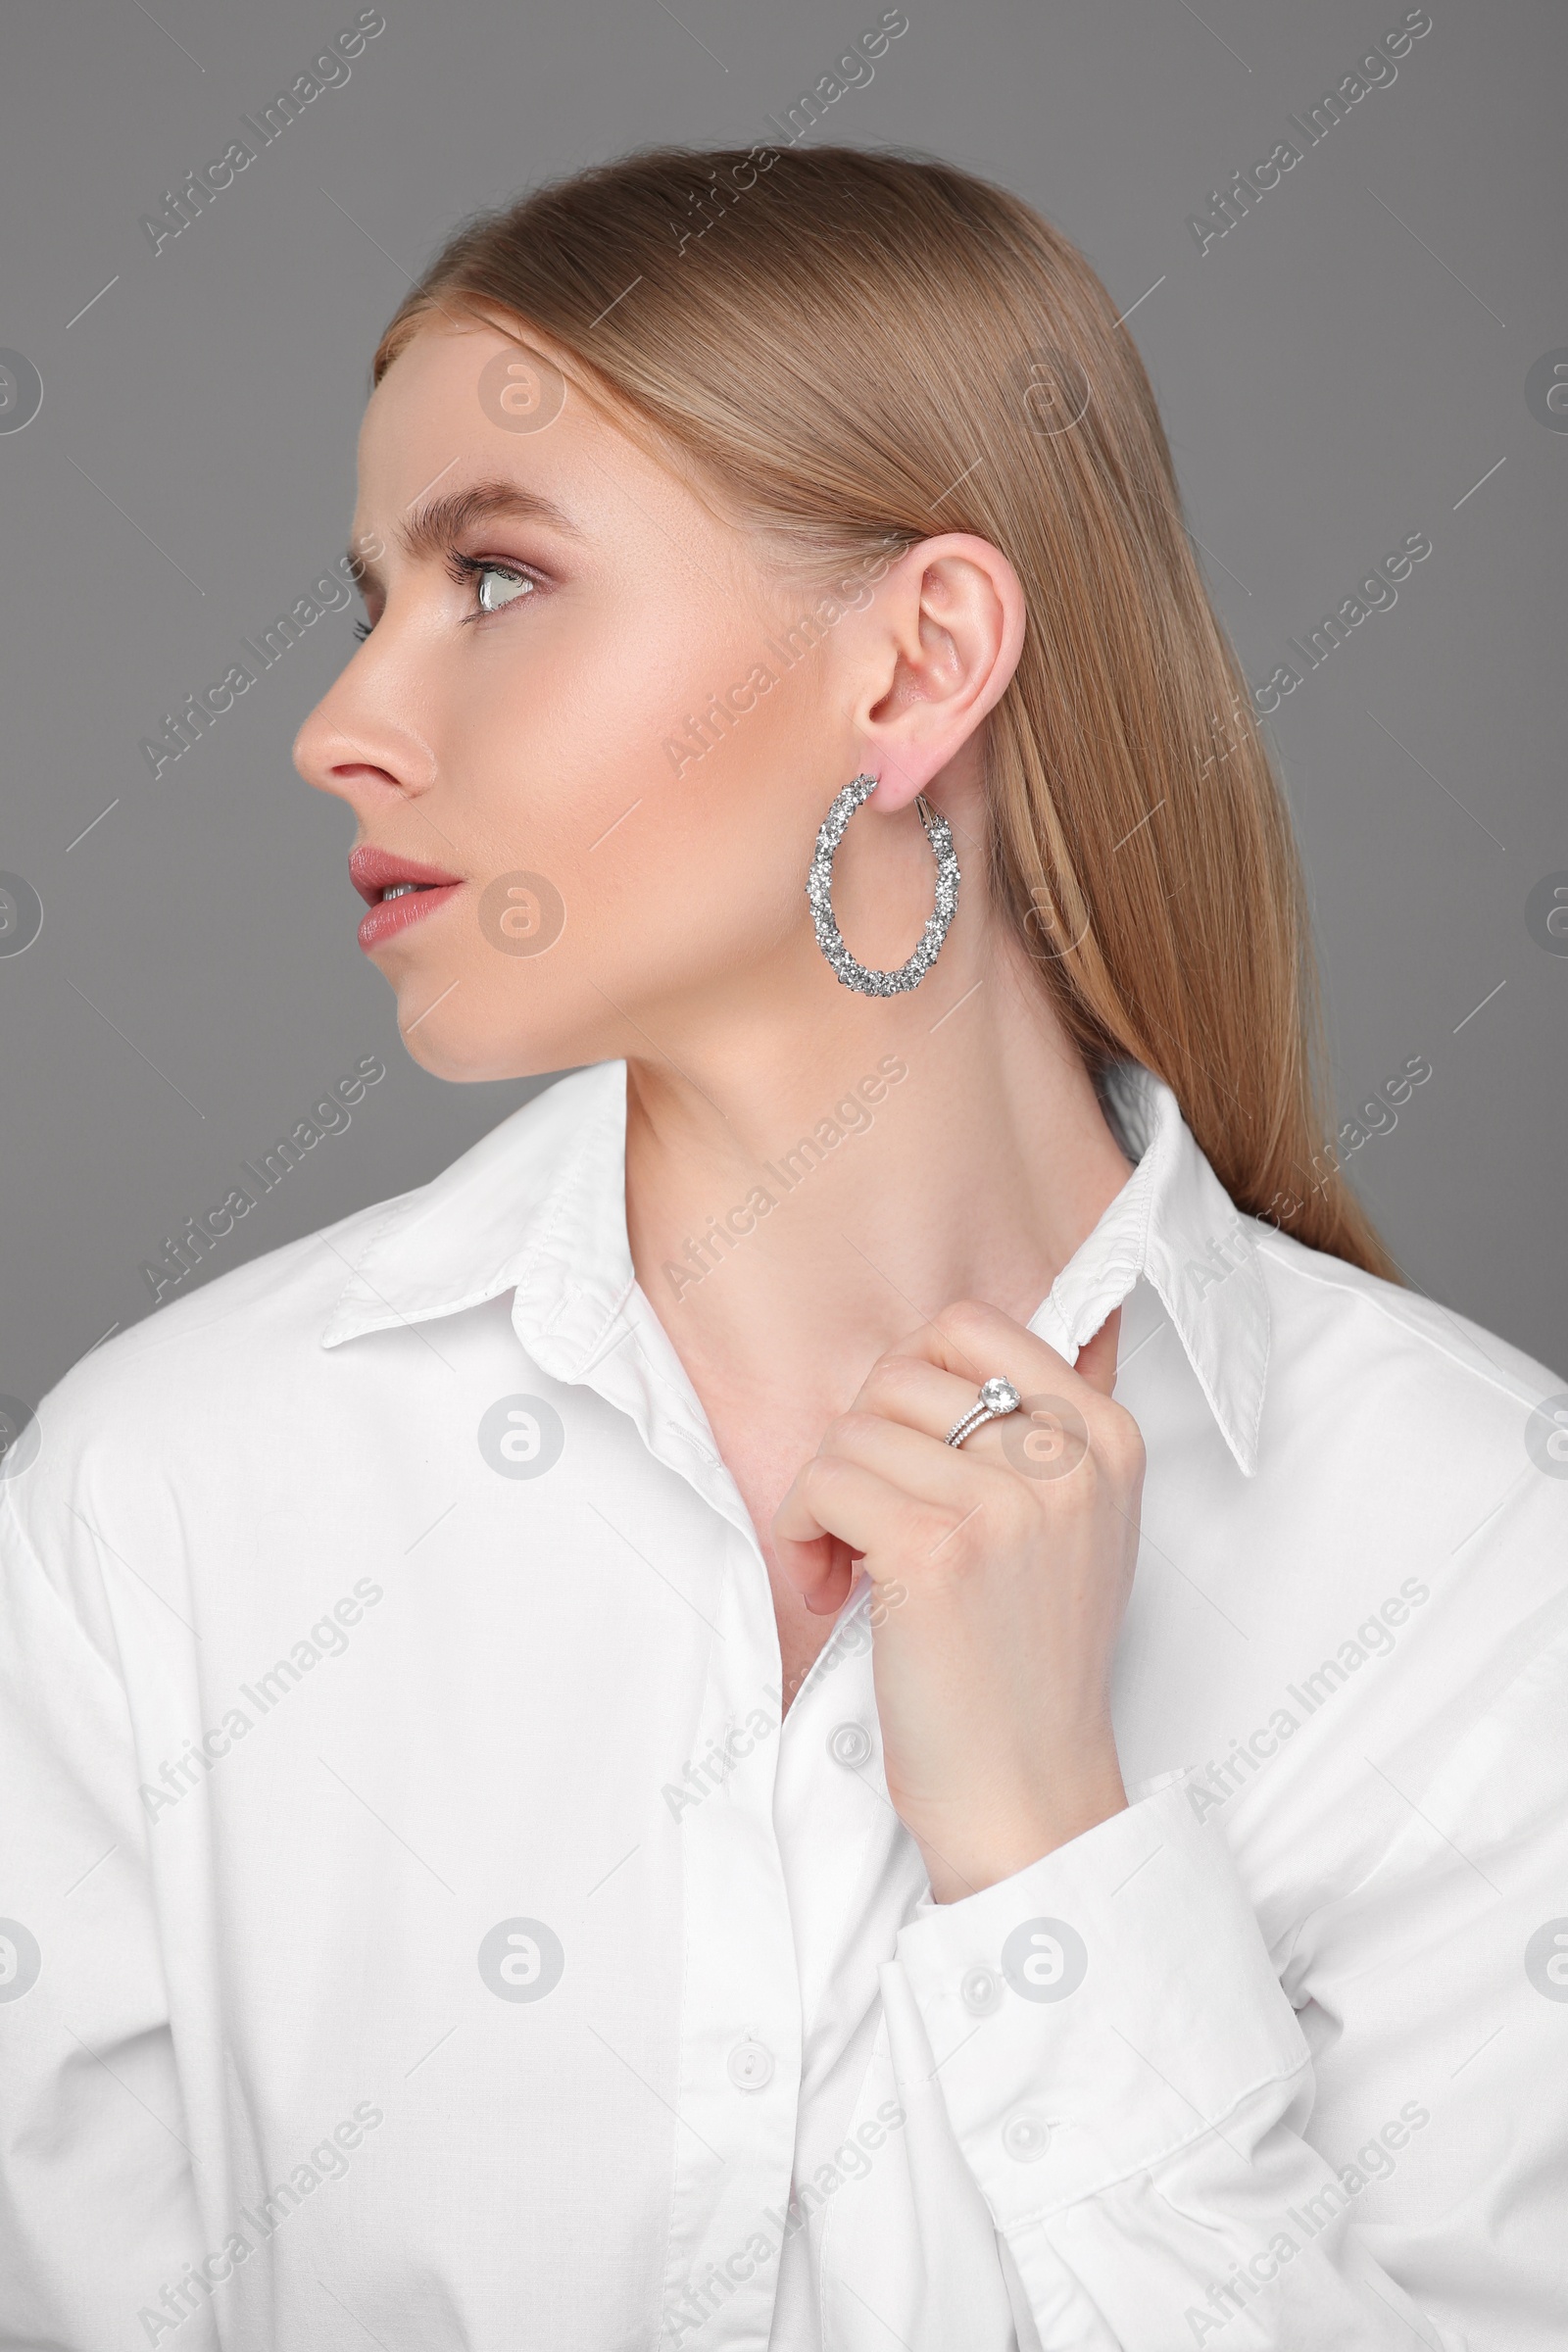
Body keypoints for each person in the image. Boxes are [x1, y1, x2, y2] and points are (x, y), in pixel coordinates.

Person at [2, 142, 1563, 2352]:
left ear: (915, 665)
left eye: (503, 583)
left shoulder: (1480, 1553)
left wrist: (1044, 1844)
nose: (340, 729)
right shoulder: (159, 1512)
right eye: (373, 603)